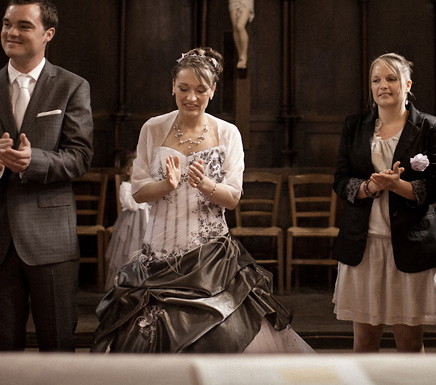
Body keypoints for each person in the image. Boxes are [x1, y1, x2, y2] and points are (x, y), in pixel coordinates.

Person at [91, 47, 312, 353]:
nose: (191, 97)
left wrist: (206, 184)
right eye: (183, 89)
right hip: (159, 253)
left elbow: (233, 198)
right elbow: (139, 190)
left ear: (213, 91)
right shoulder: (153, 128)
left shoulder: (228, 133)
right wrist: (165, 185)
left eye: (200, 90)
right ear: (172, 87)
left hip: (211, 259)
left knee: (221, 337)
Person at [0, 0, 93, 352]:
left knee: (58, 348)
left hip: (51, 242)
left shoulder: (72, 86)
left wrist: (36, 161)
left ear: (48, 34)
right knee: (0, 352)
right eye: (7, 24)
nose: (11, 32)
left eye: (23, 25)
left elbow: (80, 156)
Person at [332, 53, 436, 353]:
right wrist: (370, 187)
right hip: (364, 244)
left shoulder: (429, 127)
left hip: (410, 244)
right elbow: (341, 180)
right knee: (365, 342)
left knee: (409, 344)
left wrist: (400, 186)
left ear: (407, 85)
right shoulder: (355, 126)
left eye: (391, 78)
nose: (383, 85)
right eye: (376, 80)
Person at [103, 151, 150, 289]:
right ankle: (125, 286)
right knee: (128, 253)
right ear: (128, 171)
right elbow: (133, 205)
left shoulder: (145, 187)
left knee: (145, 252)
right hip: (130, 225)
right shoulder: (125, 186)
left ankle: (143, 285)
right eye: (134, 167)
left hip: (145, 222)